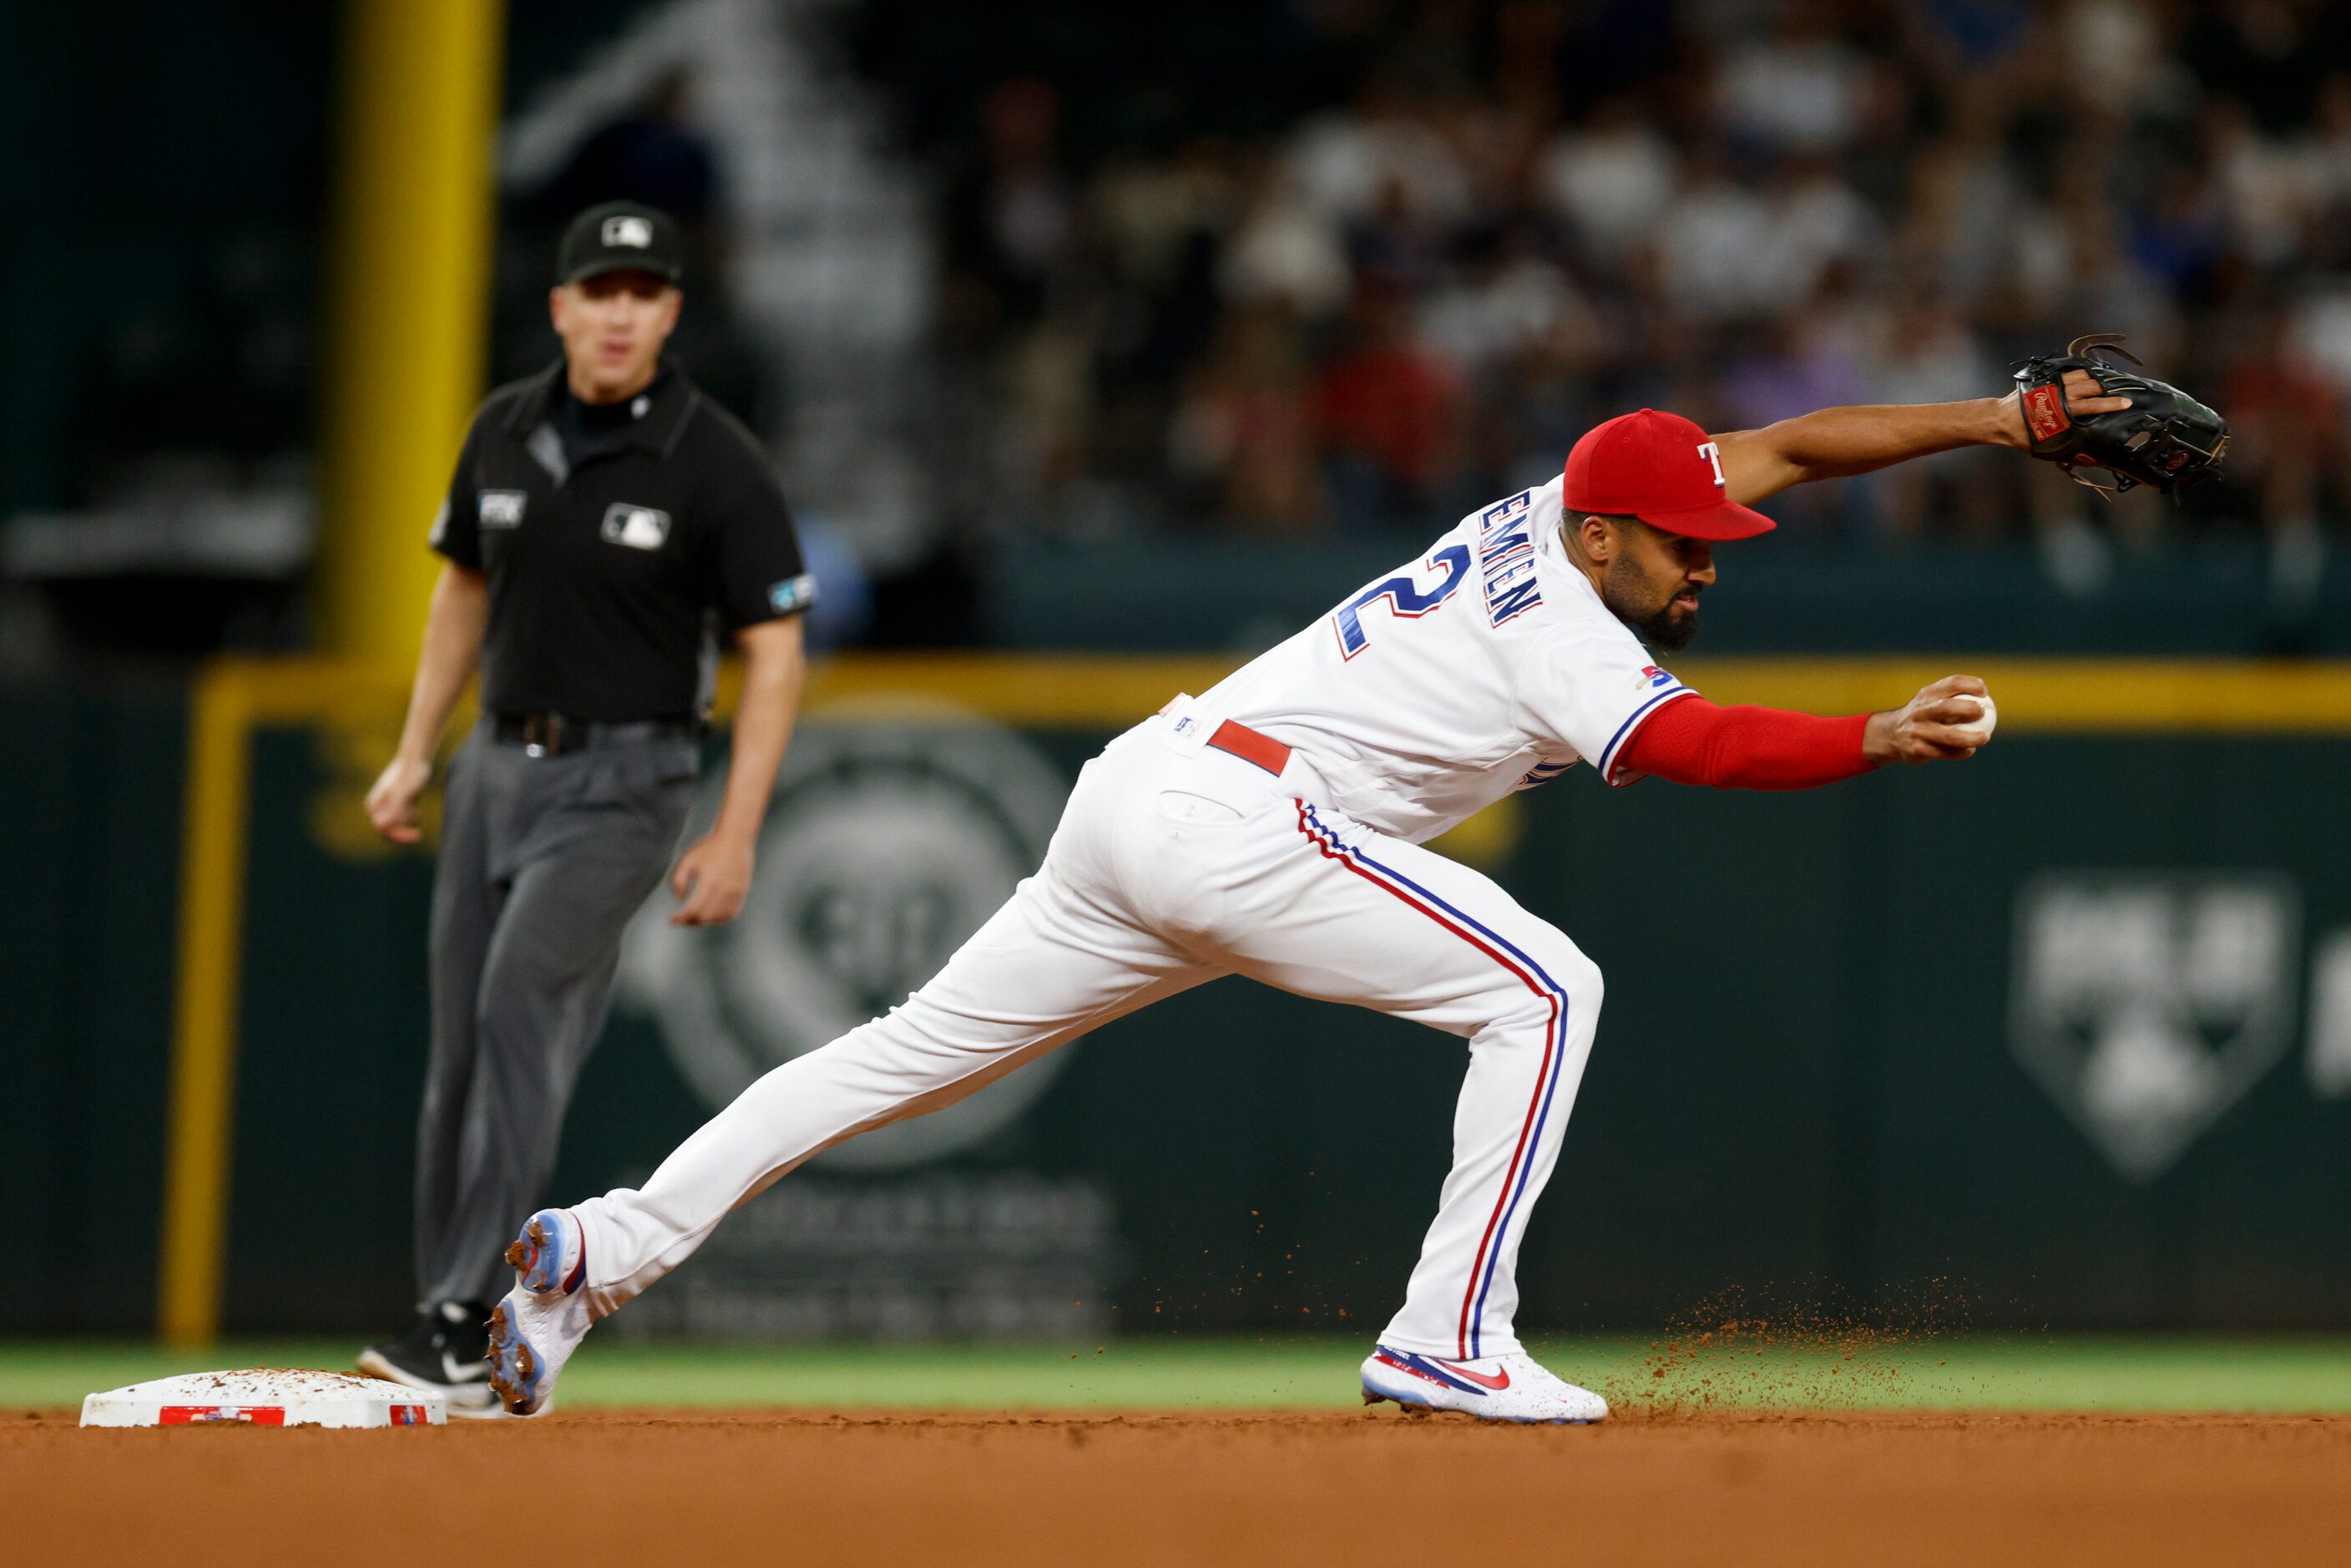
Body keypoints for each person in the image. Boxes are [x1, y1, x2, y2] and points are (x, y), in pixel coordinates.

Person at [485, 367, 2131, 1424]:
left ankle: (593, 1258)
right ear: (1606, 533)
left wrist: (1997, 422)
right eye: (1684, 543)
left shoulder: (1557, 518)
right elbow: (1697, 747)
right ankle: (1446, 1334)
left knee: (892, 1057)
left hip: (1148, 792)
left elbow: (1788, 444)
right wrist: (1873, 735)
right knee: (1548, 990)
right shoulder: (1562, 625)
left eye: (1715, 536)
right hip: (1239, 818)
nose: (1712, 558)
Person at [355, 201, 816, 1414]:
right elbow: (462, 593)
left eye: (643, 292)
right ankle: (450, 1321)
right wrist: (414, 752)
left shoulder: (715, 459)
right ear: (559, 305)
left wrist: (738, 828)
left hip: (627, 779)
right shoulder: (502, 429)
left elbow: (775, 648)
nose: (619, 313)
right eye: (598, 290)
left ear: (670, 312)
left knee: (520, 998)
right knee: (458, 1044)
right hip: (494, 768)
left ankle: (473, 1314)